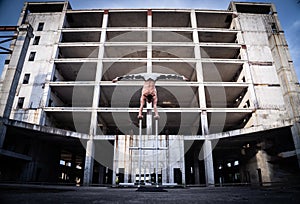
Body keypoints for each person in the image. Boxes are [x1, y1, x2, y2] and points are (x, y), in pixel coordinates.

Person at [112, 73, 188, 119]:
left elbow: (153, 106)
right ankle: (118, 78)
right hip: (148, 78)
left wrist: (155, 114)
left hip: (151, 79)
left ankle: (182, 77)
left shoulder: (149, 95)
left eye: (148, 101)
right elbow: (142, 106)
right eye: (149, 101)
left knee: (166, 76)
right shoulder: (149, 95)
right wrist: (140, 114)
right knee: (133, 76)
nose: (148, 102)